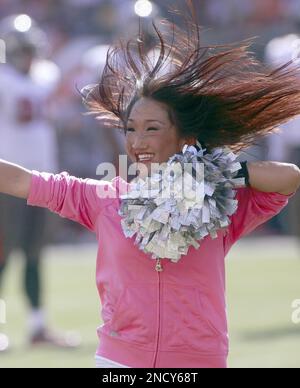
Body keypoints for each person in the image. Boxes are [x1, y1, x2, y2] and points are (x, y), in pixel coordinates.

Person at [1, 4, 300, 367]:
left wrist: (216, 173)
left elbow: (288, 178)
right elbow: (19, 179)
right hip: (118, 364)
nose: (137, 142)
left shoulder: (220, 201)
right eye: (130, 129)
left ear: (184, 137)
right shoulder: (103, 197)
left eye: (152, 129)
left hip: (199, 361)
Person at [0, 14, 78, 351]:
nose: (28, 56)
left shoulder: (47, 74)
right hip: (7, 180)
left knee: (34, 255)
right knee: (2, 254)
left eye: (31, 49)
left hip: (43, 180)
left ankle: (37, 326)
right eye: (23, 49)